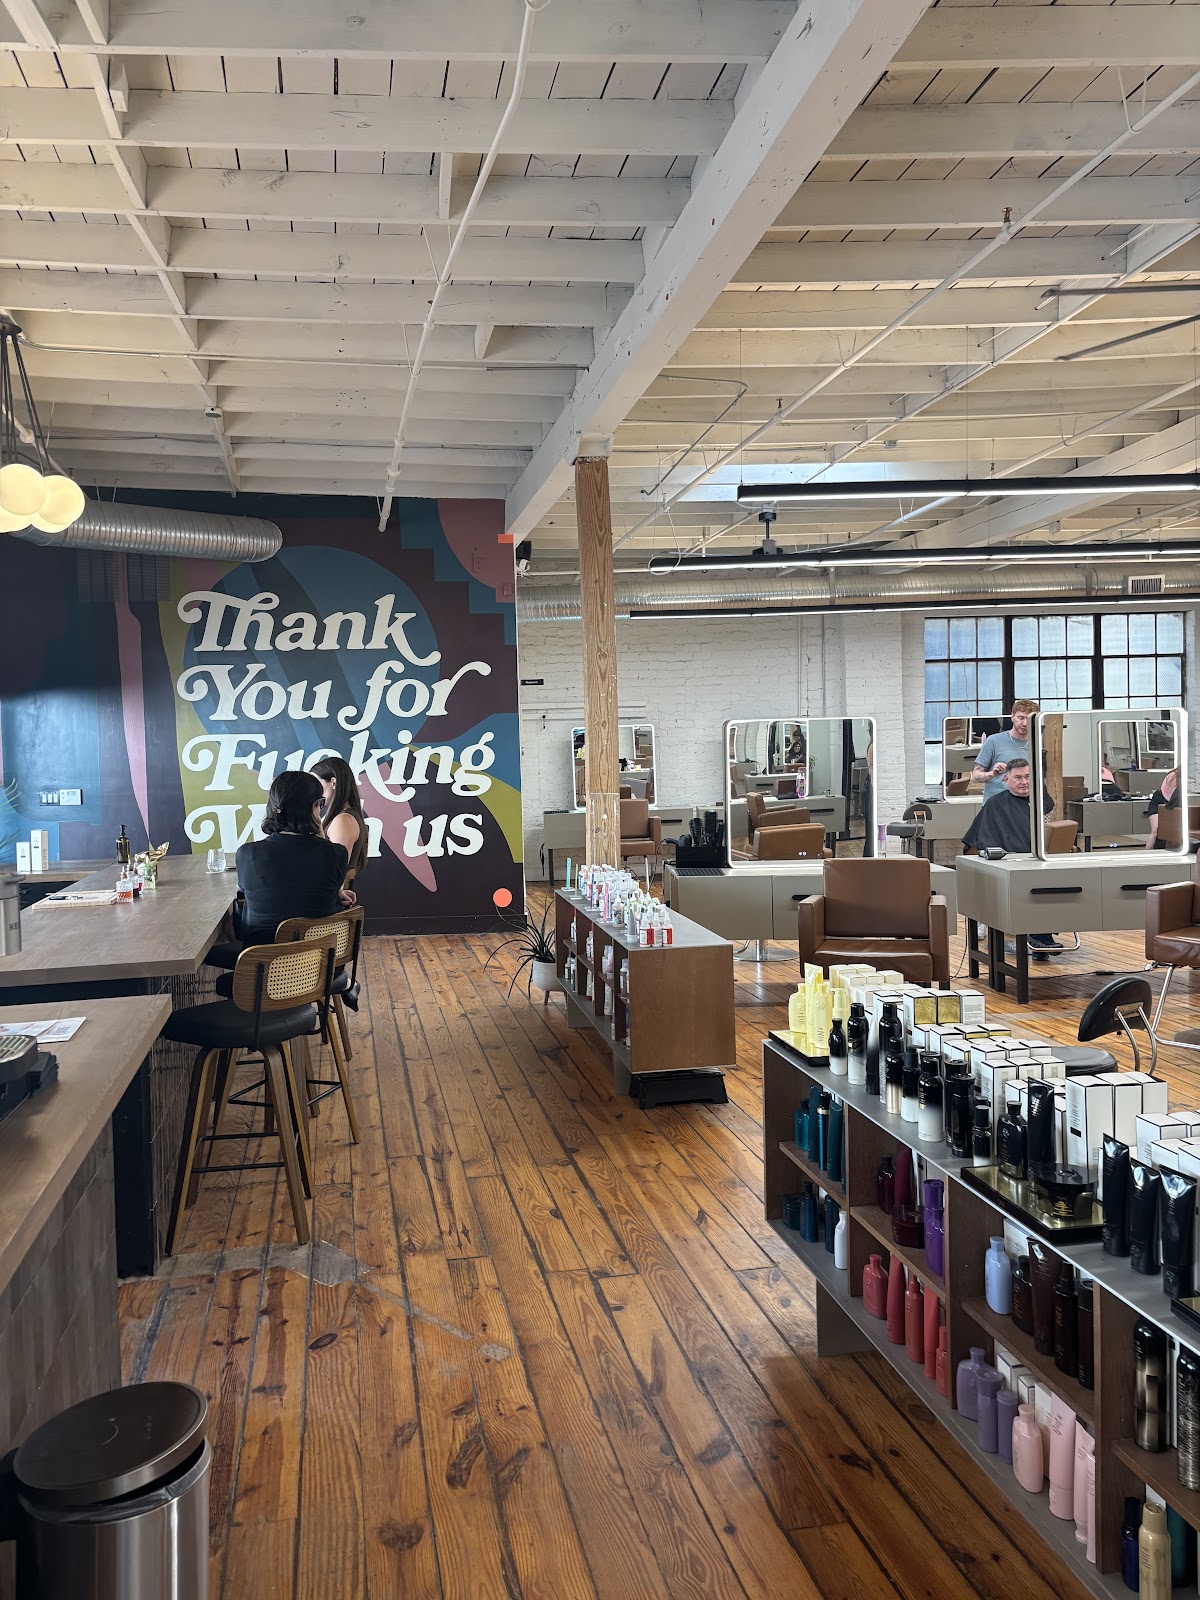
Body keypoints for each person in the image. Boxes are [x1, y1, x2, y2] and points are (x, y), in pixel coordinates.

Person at [235, 770, 349, 947]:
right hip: (320, 958)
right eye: (320, 804)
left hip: (262, 960)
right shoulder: (337, 854)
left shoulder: (247, 854)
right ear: (314, 806)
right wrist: (318, 831)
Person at [962, 759, 1062, 952]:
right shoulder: (995, 804)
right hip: (1009, 867)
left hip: (1040, 864)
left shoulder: (1040, 801)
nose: (1024, 782)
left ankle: (1042, 935)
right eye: (1018, 777)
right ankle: (1038, 936)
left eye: (1027, 777)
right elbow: (980, 841)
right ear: (1006, 780)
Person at [312, 755, 368, 879]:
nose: (314, 791)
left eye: (317, 784)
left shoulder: (343, 820)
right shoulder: (344, 817)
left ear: (333, 782)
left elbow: (333, 871)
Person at [972, 699, 1038, 802]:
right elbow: (975, 776)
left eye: (1029, 719)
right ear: (1012, 717)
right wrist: (992, 774)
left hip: (1026, 804)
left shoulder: (1038, 744)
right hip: (996, 805)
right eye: (1021, 718)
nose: (1025, 723)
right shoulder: (994, 741)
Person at [1144, 767, 1181, 849]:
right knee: (1156, 831)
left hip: (1172, 804)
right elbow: (1171, 798)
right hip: (1160, 801)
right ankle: (1147, 853)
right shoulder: (1174, 776)